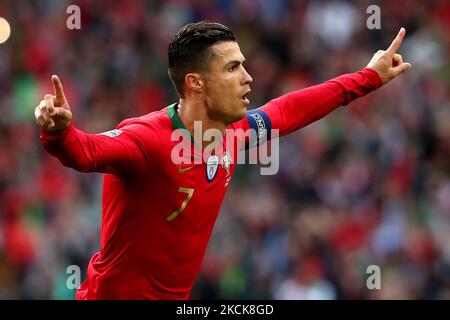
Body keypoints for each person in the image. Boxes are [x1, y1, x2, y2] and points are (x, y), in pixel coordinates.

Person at [34, 21, 411, 299]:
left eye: (243, 64)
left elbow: (289, 109)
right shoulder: (147, 140)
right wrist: (58, 131)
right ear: (196, 83)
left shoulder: (233, 132)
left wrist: (368, 78)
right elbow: (85, 152)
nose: (248, 78)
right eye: (232, 68)